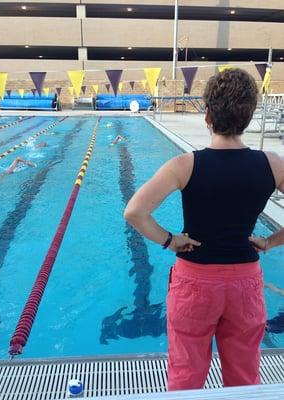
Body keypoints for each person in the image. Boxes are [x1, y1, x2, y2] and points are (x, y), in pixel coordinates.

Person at [124, 68, 284, 390]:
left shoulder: (185, 165)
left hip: (195, 283)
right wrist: (269, 242)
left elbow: (135, 212)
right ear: (249, 116)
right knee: (244, 380)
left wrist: (170, 241)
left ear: (207, 116)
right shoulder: (273, 164)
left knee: (186, 377)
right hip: (245, 284)